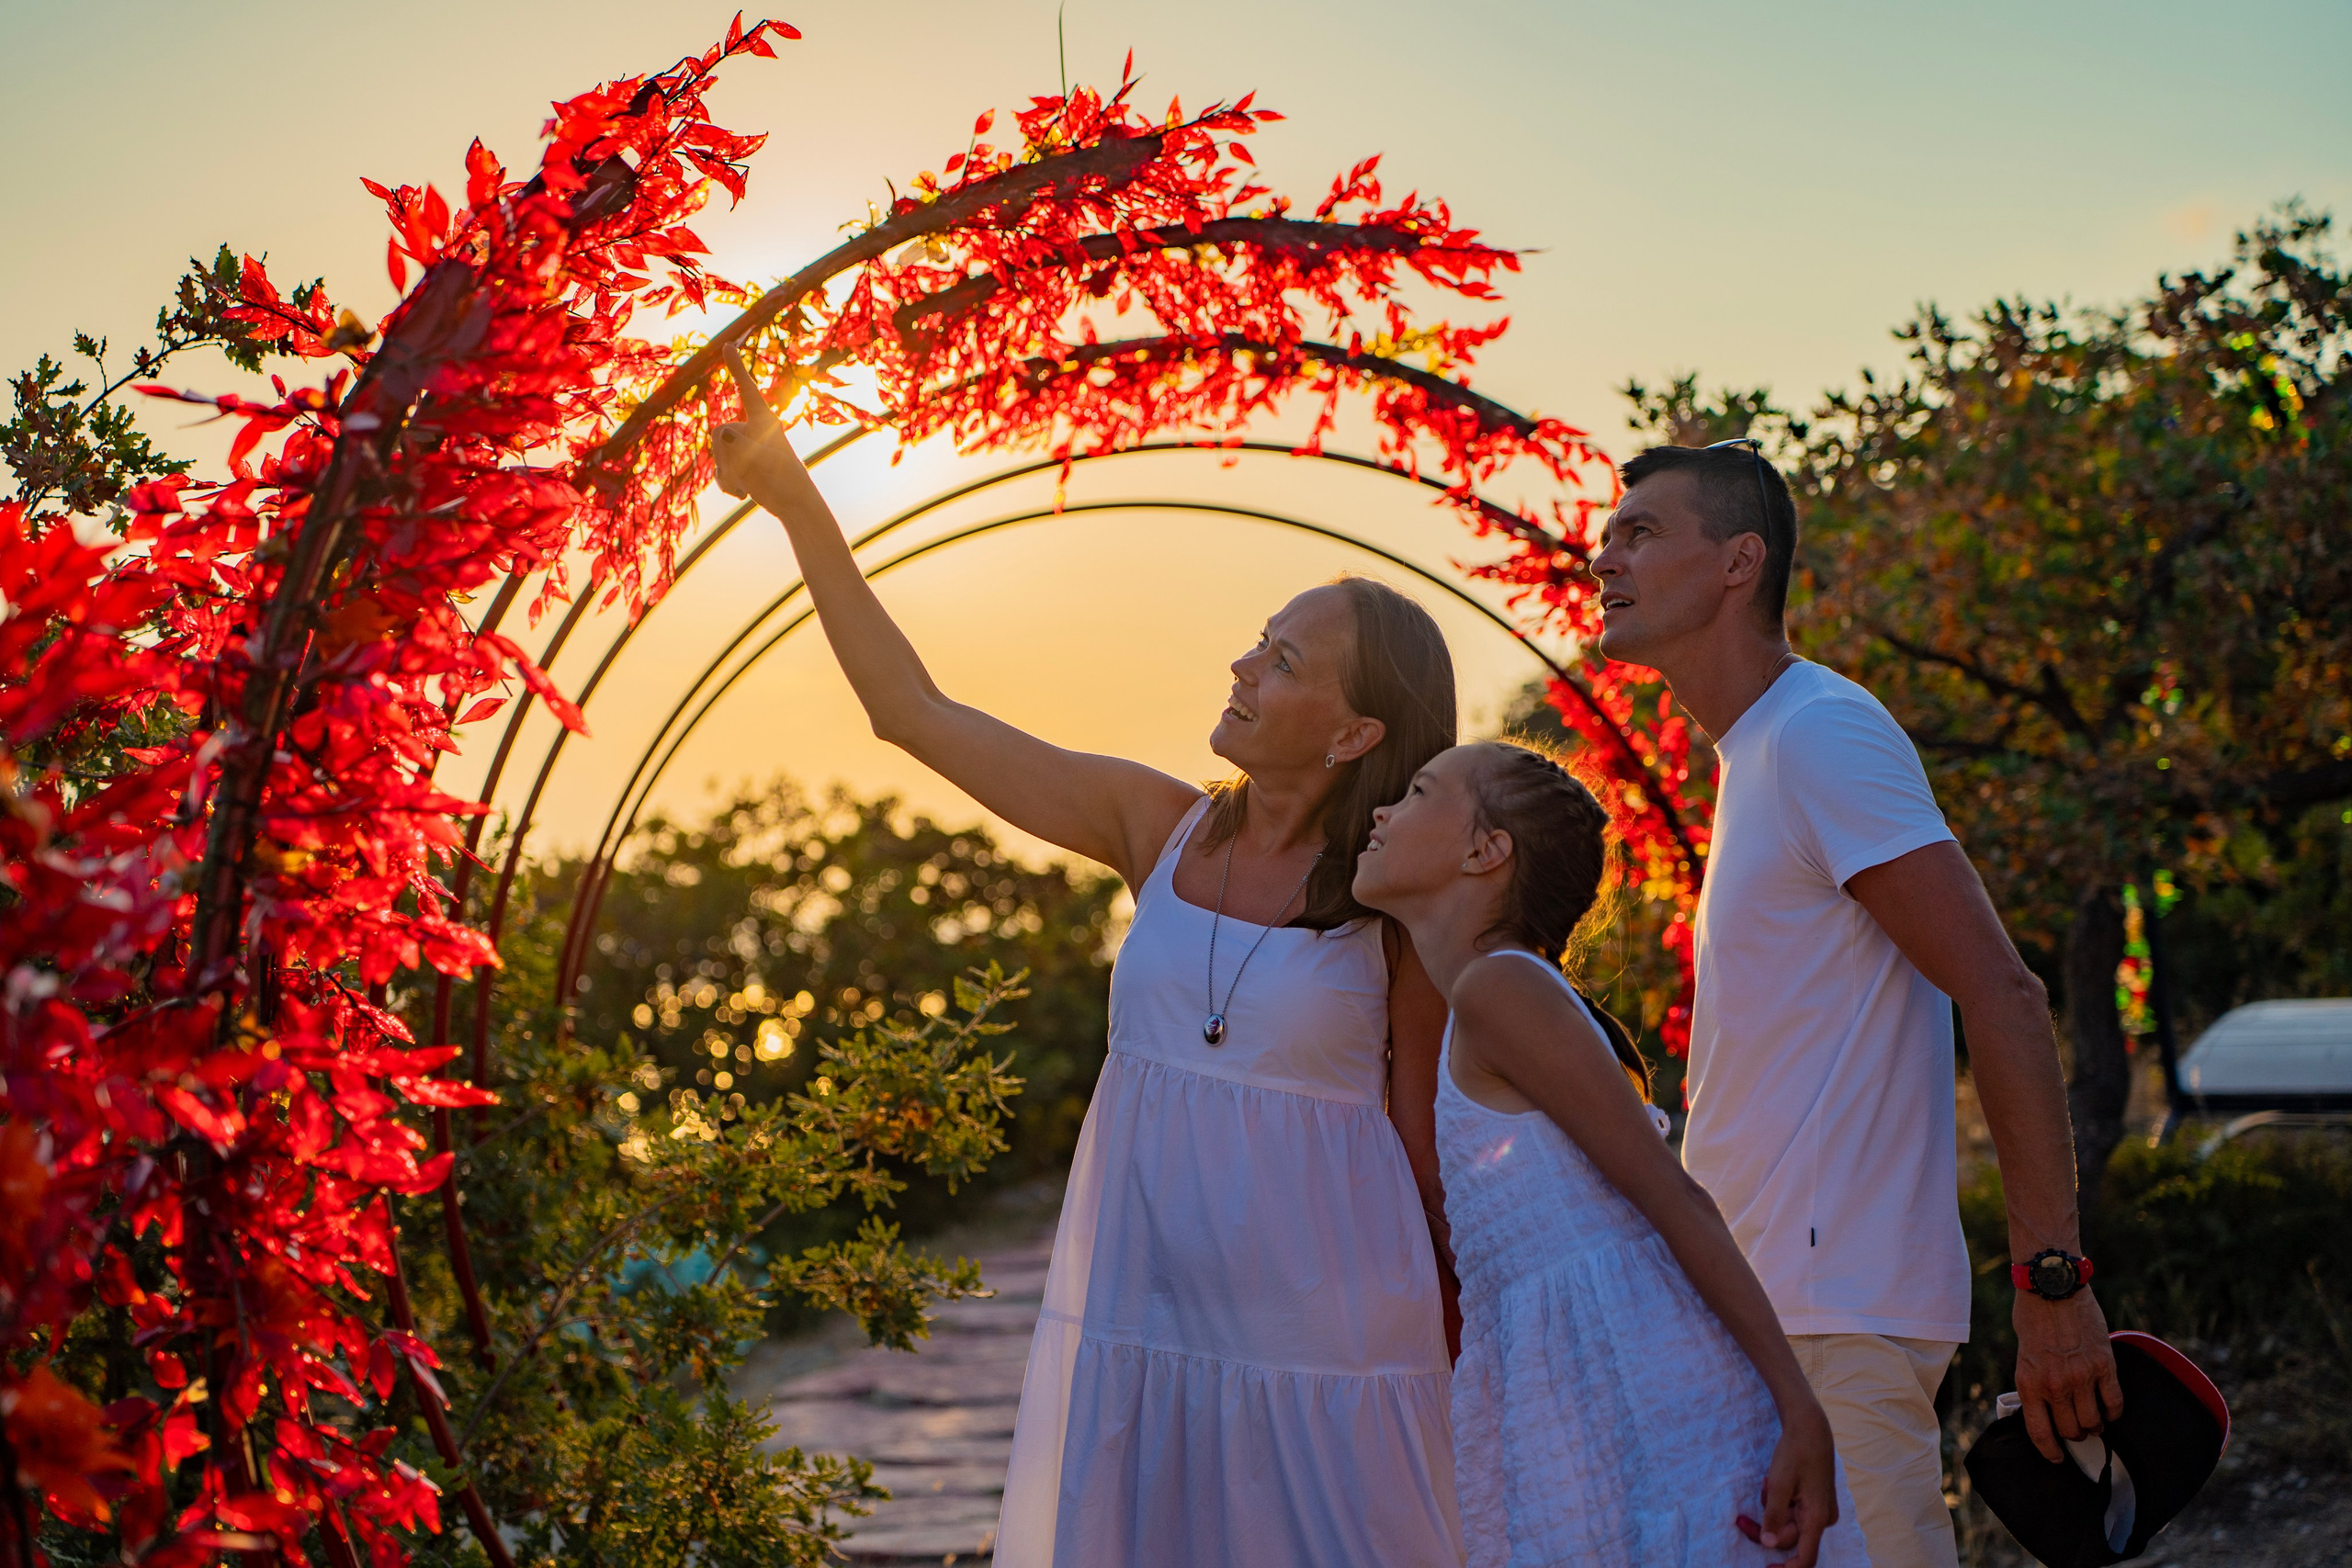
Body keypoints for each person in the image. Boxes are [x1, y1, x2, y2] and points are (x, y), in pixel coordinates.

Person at [710, 347, 1465, 1568]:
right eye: (1256, 641)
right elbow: (913, 710)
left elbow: (1428, 1142)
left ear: (1356, 729)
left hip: (1330, 1350)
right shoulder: (1152, 824)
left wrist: (1479, 1331)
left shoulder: (1396, 906)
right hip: (1148, 1323)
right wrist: (799, 503)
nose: (1242, 664)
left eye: (1283, 659)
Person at [1588, 441, 2124, 1568]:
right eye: (1610, 530)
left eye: (1641, 531)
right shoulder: (1755, 754)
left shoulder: (1821, 732)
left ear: (1741, 562)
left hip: (1835, 1321)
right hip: (1776, 1321)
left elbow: (2005, 995)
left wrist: (2054, 1288)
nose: (1605, 552)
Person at [1354, 738, 1865, 1568]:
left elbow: (1673, 1197)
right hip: (1578, 1397)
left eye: (1415, 791)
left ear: (1487, 852)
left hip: (1637, 1381)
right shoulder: (1483, 999)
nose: (1381, 810)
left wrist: (1798, 1406)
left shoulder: (1499, 988)